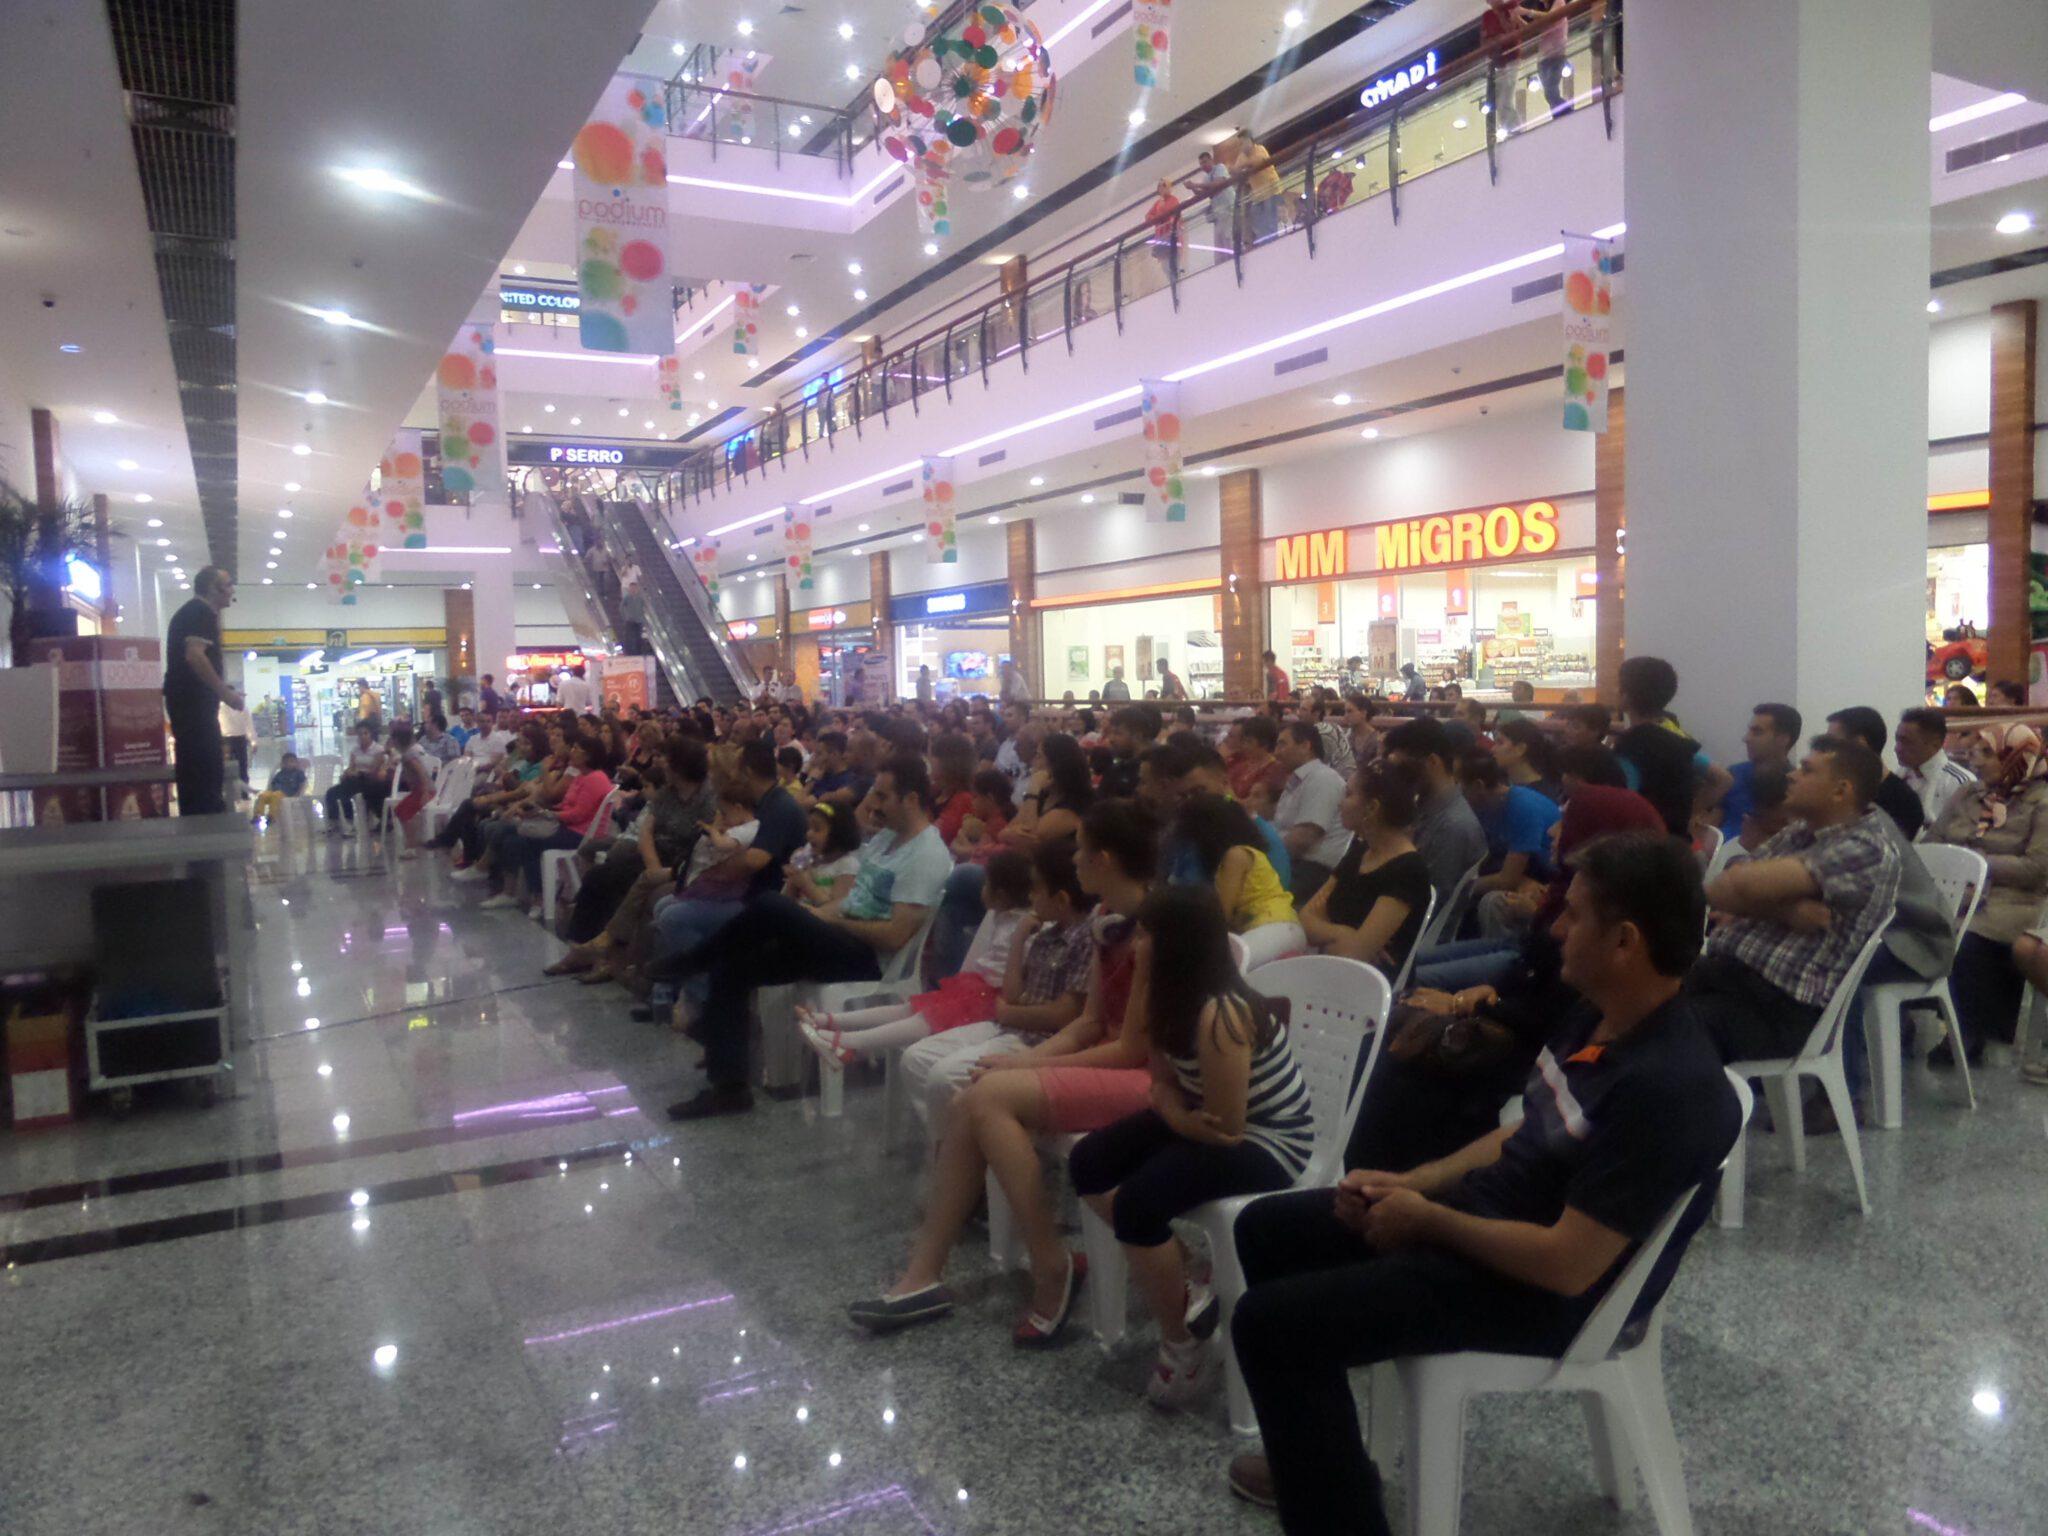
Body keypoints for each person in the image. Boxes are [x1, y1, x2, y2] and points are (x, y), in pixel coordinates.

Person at [1225, 832, 1741, 1530]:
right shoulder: (1601, 1013)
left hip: (1541, 1294)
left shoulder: (1667, 1086)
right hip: (1493, 1224)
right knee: (1269, 1229)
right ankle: (1322, 1465)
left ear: (1624, 941)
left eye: (1574, 915)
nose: (1552, 926)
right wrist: (1418, 1180)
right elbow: (1530, 1123)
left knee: (1271, 1327)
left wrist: (1426, 1219)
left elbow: (1568, 1266)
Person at [844, 800, 1157, 1338]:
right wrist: (1024, 1059)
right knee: (974, 1096)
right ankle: (924, 1275)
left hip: (1154, 1078)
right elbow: (1087, 1023)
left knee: (987, 1096)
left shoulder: (1156, 929)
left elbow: (1133, 1048)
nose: (1073, 860)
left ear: (1102, 859)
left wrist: (1023, 1066)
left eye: (1080, 850)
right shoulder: (1108, 922)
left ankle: (1051, 1264)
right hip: (1107, 1062)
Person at [1068, 885, 1315, 1409]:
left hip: (1270, 1140)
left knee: (1138, 1202)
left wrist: (1174, 1114)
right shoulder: (1166, 997)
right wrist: (1174, 1112)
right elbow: (1160, 1084)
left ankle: (1182, 1346)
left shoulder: (1220, 1014)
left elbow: (1227, 1128)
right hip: (1199, 1119)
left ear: (1176, 943)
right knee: (1088, 1162)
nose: (1134, 942)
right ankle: (1189, 1281)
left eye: (1146, 933)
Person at [663, 753, 953, 1120]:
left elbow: (895, 935)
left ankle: (694, 959)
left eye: (882, 796)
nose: (872, 806)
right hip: (837, 937)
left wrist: (821, 919)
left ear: (911, 800)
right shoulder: (886, 840)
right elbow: (850, 899)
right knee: (732, 966)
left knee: (770, 904)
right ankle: (729, 1088)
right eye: (874, 795)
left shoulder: (925, 854)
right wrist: (817, 917)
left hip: (865, 957)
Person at [1693, 738, 1901, 1062]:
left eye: (1806, 770)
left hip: (1778, 1009)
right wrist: (1785, 910)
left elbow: (1738, 883)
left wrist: (1752, 897)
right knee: (1630, 995)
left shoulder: (1866, 847)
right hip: (1731, 978)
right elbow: (1719, 889)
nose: (1792, 775)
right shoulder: (1801, 831)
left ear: (1840, 791)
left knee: (1660, 1029)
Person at [896, 837, 1101, 1133]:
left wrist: (1009, 1014)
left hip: (1038, 1039)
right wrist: (1019, 939)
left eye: (1037, 889)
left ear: (1061, 900)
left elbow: (1065, 1014)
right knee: (915, 1059)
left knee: (943, 1077)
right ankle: (949, 1146)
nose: (1030, 897)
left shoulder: (1083, 939)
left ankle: (957, 1156)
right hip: (1010, 1026)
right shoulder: (1043, 933)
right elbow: (1012, 993)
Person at [797, 850, 1033, 1068]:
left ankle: (848, 1042)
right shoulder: (1005, 919)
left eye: (986, 885)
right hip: (979, 990)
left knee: (924, 1018)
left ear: (1000, 896)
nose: (982, 891)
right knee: (910, 1007)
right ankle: (827, 1020)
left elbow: (1004, 975)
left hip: (988, 999)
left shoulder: (1018, 929)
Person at [639, 738, 809, 1025]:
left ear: (750, 771)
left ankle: (712, 996)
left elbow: (754, 860)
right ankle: (678, 993)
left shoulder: (779, 807)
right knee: (663, 904)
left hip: (759, 899)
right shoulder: (757, 802)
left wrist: (711, 873)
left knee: (673, 918)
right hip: (739, 893)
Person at [1922, 724, 2048, 1064]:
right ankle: (1904, 1017)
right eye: (1975, 751)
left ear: (2015, 757)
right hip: (1953, 892)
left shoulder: (2042, 801)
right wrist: (1953, 867)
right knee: (1905, 930)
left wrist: (1976, 864)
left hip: (2009, 900)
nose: (1975, 760)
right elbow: (1932, 842)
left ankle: (1967, 1032)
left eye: (1987, 753)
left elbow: (2037, 868)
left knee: (1969, 941)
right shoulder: (1969, 794)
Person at [1296, 762, 1433, 979]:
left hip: (1369, 984)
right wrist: (1343, 933)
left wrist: (1326, 933)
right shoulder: (1360, 852)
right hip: (1329, 968)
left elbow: (1354, 953)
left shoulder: (1408, 870)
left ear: (1372, 808)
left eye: (1348, 795)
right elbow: (1304, 918)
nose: (1340, 803)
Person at [478, 740, 615, 919]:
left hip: (579, 834)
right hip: (566, 826)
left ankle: (537, 898)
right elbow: (565, 805)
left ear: (588, 755)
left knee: (523, 841)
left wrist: (546, 814)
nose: (571, 751)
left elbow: (578, 815)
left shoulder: (596, 779)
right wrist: (539, 812)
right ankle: (510, 892)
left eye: (576, 748)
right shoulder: (581, 775)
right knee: (509, 834)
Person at [1172, 792, 1305, 967]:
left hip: (1273, 926)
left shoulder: (1236, 855)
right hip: (1281, 929)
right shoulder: (1246, 854)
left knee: (1219, 968)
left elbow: (1221, 914)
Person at [1382, 717, 1489, 906]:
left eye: (1403, 769)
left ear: (1432, 762)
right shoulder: (1423, 807)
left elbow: (1430, 903)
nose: (1397, 778)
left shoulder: (1453, 826)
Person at [162, 566, 241, 817]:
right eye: (227, 585)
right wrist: (225, 693)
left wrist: (219, 687)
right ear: (212, 588)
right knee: (204, 771)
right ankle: (206, 834)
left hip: (190, 705)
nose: (231, 591)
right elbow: (195, 655)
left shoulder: (194, 613)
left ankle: (202, 829)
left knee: (198, 770)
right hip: (193, 708)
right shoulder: (200, 612)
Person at [1458, 751, 1561, 937]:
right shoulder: (1481, 806)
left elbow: (1508, 879)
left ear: (1478, 786)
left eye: (1460, 787)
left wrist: (1458, 888)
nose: (1457, 794)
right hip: (1522, 875)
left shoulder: (1523, 808)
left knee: (1489, 902)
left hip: (1547, 881)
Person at [1610, 655, 1708, 838]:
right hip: (1676, 844)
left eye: (1618, 686)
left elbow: (1623, 802)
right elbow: (1723, 779)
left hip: (1644, 847)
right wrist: (1690, 812)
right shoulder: (1677, 738)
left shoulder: (1630, 745)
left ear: (1627, 695)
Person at [1273, 721, 1351, 908]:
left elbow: (1302, 840)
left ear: (1306, 745)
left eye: (1282, 744)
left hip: (1312, 873)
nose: (1276, 752)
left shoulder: (1323, 779)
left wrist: (1265, 851)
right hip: (1294, 864)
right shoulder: (1300, 778)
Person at [1825, 705, 1925, 840]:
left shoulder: (1903, 802)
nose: (1826, 751)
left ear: (1860, 744)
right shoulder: (1836, 789)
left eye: (1831, 743)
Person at [1713, 702, 1801, 842]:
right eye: (1749, 731)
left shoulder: (1797, 786)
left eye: (1757, 732)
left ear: (1783, 739)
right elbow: (1711, 827)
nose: (1746, 738)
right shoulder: (1732, 775)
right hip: (1719, 856)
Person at [1895, 705, 1976, 828]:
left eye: (1907, 742)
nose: (1897, 748)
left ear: (1935, 744)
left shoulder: (1961, 784)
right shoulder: (1899, 776)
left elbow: (1965, 837)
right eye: (1897, 740)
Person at [324, 721, 388, 833]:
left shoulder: (378, 750)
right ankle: (334, 822)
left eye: (365, 733)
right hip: (354, 779)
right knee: (331, 792)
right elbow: (351, 767)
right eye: (360, 734)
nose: (362, 736)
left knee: (346, 792)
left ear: (371, 734)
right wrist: (347, 772)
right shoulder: (355, 750)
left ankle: (349, 823)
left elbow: (374, 770)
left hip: (369, 781)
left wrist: (357, 772)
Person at [1226, 715, 1289, 804]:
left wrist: (1227, 795)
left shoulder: (1274, 770)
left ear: (1264, 744)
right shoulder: (1242, 764)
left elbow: (1251, 806)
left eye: (1249, 742)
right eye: (1243, 741)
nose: (1244, 746)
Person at [1144, 176, 1182, 285]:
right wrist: (1157, 218)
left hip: (1171, 235)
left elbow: (1169, 212)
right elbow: (1148, 217)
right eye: (1160, 186)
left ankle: (1177, 282)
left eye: (1164, 186)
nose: (1162, 188)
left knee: (1174, 263)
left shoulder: (1173, 199)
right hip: (1161, 237)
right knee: (1165, 266)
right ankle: (1172, 283)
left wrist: (1158, 217)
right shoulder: (1157, 203)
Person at [251, 752, 307, 825]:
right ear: (283, 764)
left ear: (296, 763)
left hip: (287, 794)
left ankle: (272, 816)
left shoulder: (298, 773)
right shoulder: (280, 773)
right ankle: (258, 815)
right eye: (286, 762)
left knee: (276, 796)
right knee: (262, 795)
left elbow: (302, 784)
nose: (289, 764)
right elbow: (272, 784)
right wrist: (269, 791)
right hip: (274, 792)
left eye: (292, 762)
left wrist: (298, 794)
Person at [218, 696, 253, 800]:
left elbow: (249, 725)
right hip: (232, 740)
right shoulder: (221, 707)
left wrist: (253, 740)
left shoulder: (242, 709)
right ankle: (238, 794)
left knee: (236, 767)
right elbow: (249, 726)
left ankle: (236, 794)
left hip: (233, 740)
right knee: (237, 767)